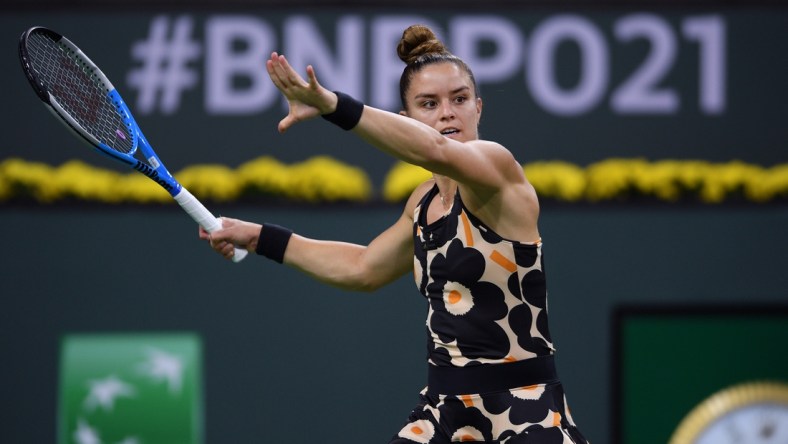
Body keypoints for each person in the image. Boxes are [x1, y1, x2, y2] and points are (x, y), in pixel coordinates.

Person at [200, 24, 588, 444]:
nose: (446, 113)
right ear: (407, 120)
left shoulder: (498, 170)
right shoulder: (423, 204)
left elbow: (435, 150)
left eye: (459, 99)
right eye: (429, 104)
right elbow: (364, 267)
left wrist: (331, 105)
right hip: (444, 413)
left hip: (525, 411)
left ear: (478, 108)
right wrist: (259, 237)